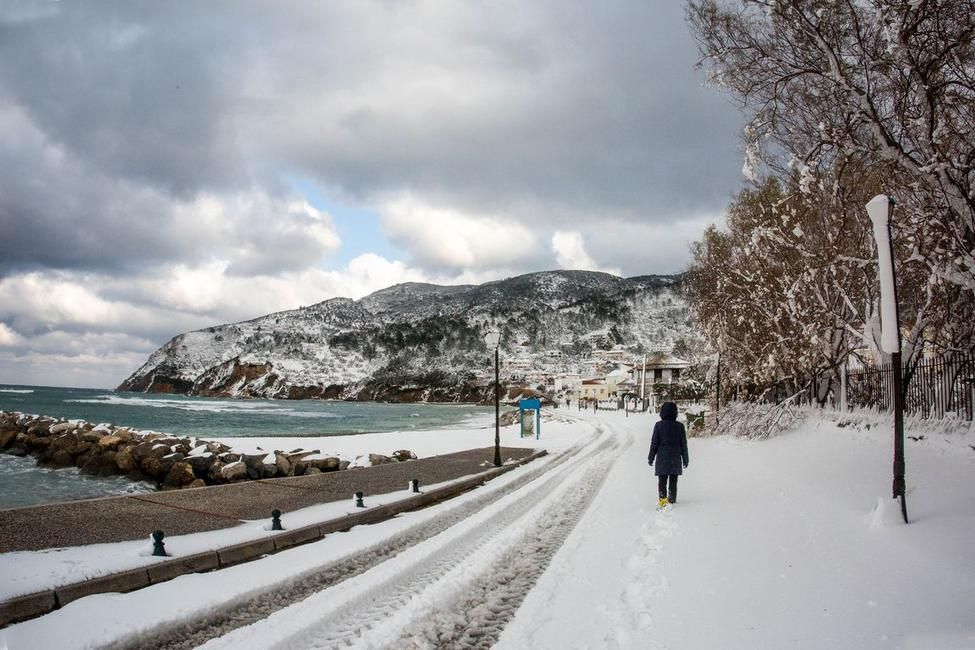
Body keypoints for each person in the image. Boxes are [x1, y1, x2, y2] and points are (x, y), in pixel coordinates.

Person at [647, 401, 689, 508]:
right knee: (673, 481)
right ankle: (672, 500)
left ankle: (663, 500)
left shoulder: (658, 425)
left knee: (662, 481)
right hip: (675, 456)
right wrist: (685, 459)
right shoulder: (679, 426)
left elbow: (654, 443)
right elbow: (683, 444)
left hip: (662, 457)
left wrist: (651, 457)